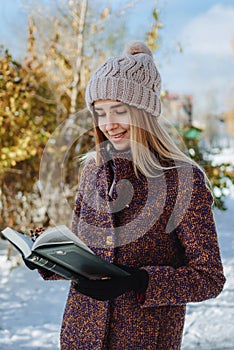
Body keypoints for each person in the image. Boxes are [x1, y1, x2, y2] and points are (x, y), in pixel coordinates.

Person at [30, 41, 226, 349]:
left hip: (144, 339)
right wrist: (50, 258)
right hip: (81, 335)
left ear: (144, 112)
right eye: (100, 112)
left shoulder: (182, 180)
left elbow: (208, 277)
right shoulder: (93, 171)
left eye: (119, 111)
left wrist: (140, 281)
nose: (108, 124)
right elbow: (86, 255)